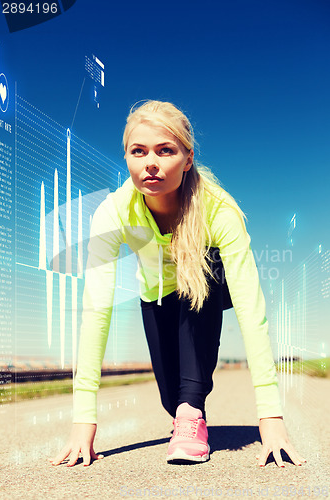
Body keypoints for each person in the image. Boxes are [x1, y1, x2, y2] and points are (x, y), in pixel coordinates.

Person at [50, 100, 306, 468]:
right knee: (172, 397)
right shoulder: (113, 211)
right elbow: (96, 311)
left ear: (187, 159)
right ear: (126, 157)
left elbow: (252, 311)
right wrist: (82, 423)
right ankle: (184, 410)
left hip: (207, 286)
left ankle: (190, 412)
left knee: (189, 395)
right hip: (156, 297)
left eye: (165, 150)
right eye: (138, 151)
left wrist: (271, 418)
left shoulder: (219, 209)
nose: (150, 162)